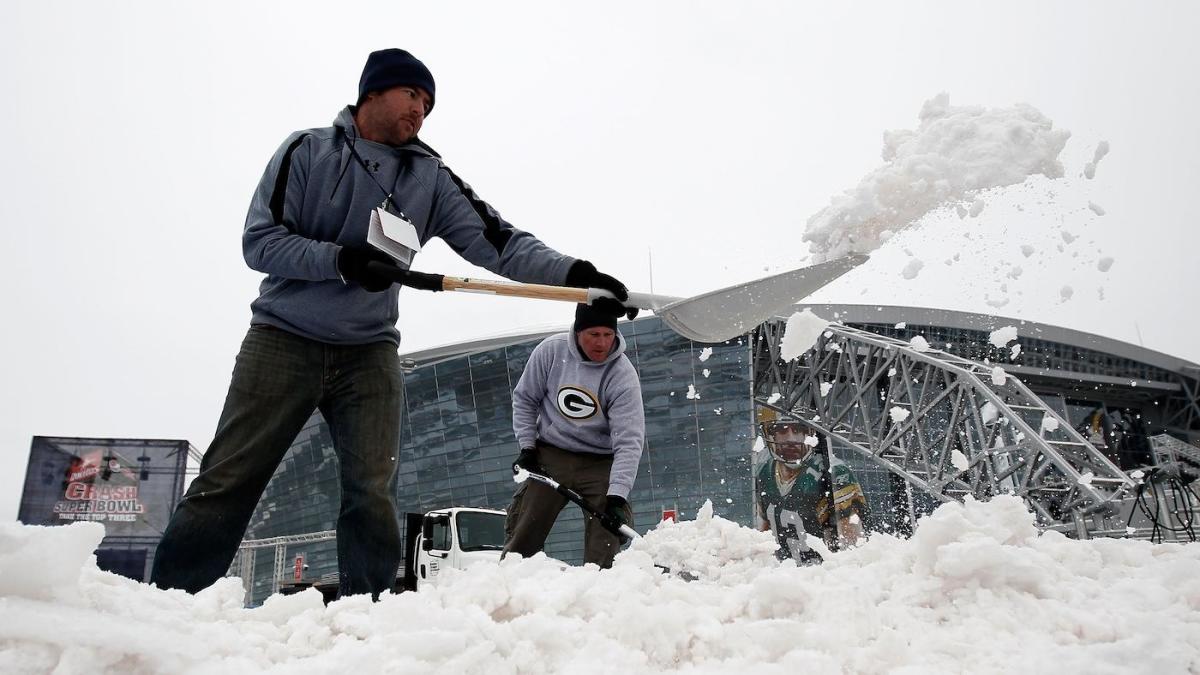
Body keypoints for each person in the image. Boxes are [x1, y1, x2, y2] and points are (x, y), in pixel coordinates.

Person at [150, 48, 634, 599]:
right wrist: (342, 260)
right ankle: (171, 602)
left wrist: (578, 275)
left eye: (429, 104)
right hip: (283, 339)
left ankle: (371, 613)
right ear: (372, 93)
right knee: (230, 477)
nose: (421, 111)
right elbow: (260, 242)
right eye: (413, 95)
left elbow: (500, 243)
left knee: (372, 490)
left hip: (369, 352)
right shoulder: (307, 151)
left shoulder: (429, 177)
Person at [503, 303, 646, 569]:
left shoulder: (622, 375)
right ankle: (510, 583)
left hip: (600, 461)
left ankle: (600, 590)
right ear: (578, 332)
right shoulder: (551, 352)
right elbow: (524, 399)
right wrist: (527, 448)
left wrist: (617, 496)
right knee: (526, 526)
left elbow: (630, 441)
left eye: (608, 334)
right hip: (551, 452)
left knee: (607, 531)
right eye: (594, 334)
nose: (602, 343)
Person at [753, 407, 867, 564]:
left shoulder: (834, 471)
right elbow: (764, 533)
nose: (791, 438)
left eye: (799, 429)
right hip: (783, 574)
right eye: (782, 430)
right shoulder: (764, 470)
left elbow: (851, 542)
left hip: (823, 574)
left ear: (810, 432)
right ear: (770, 434)